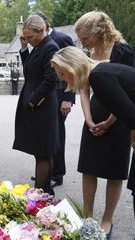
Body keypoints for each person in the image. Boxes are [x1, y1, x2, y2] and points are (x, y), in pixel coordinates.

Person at [51, 46, 135, 239]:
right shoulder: (97, 74)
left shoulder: (99, 76)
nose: (62, 78)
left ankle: (106, 220)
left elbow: (131, 116)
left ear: (72, 67)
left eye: (62, 73)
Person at [73, 11, 134, 236]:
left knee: (114, 171)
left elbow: (128, 90)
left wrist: (109, 122)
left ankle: (107, 220)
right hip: (94, 115)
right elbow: (84, 88)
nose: (82, 42)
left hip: (120, 117)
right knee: (89, 168)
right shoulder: (89, 52)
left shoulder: (122, 51)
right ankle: (86, 217)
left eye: (85, 38)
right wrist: (88, 119)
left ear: (98, 32)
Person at [13, 15, 60, 195]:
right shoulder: (39, 46)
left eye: (30, 37)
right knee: (40, 152)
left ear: (41, 31)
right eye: (26, 38)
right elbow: (30, 69)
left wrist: (33, 101)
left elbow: (51, 79)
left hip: (42, 106)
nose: (29, 41)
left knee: (43, 152)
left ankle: (40, 194)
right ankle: (45, 192)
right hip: (35, 104)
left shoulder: (50, 48)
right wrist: (24, 48)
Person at [34, 11, 76, 188]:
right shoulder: (39, 43)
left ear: (43, 26)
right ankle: (46, 170)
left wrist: (68, 97)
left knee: (57, 134)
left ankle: (57, 174)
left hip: (60, 95)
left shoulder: (62, 38)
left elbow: (73, 68)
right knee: (47, 135)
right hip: (47, 95)